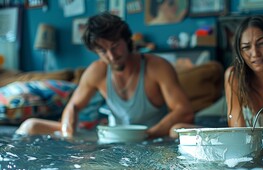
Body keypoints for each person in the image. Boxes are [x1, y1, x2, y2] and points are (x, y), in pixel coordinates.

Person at [16, 12, 194, 139]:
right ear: (95, 51)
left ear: (127, 40)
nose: (111, 55)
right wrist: (68, 137)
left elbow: (184, 112)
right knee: (30, 126)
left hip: (155, 137)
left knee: (177, 130)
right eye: (102, 50)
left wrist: (147, 135)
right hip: (115, 138)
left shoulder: (157, 66)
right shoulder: (97, 70)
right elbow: (74, 107)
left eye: (115, 45)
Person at [169, 15, 263, 137]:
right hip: (249, 144)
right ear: (240, 53)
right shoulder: (234, 76)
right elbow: (237, 135)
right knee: (176, 130)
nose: (255, 53)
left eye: (262, 43)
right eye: (246, 47)